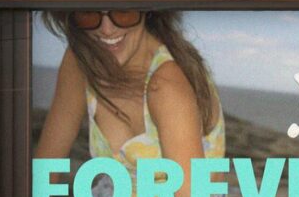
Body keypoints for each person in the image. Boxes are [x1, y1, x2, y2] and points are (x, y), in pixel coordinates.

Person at [35, 10, 227, 171]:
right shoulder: (81, 60)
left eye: (123, 11)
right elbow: (46, 167)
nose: (107, 29)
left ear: (145, 10)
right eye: (89, 13)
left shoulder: (167, 85)